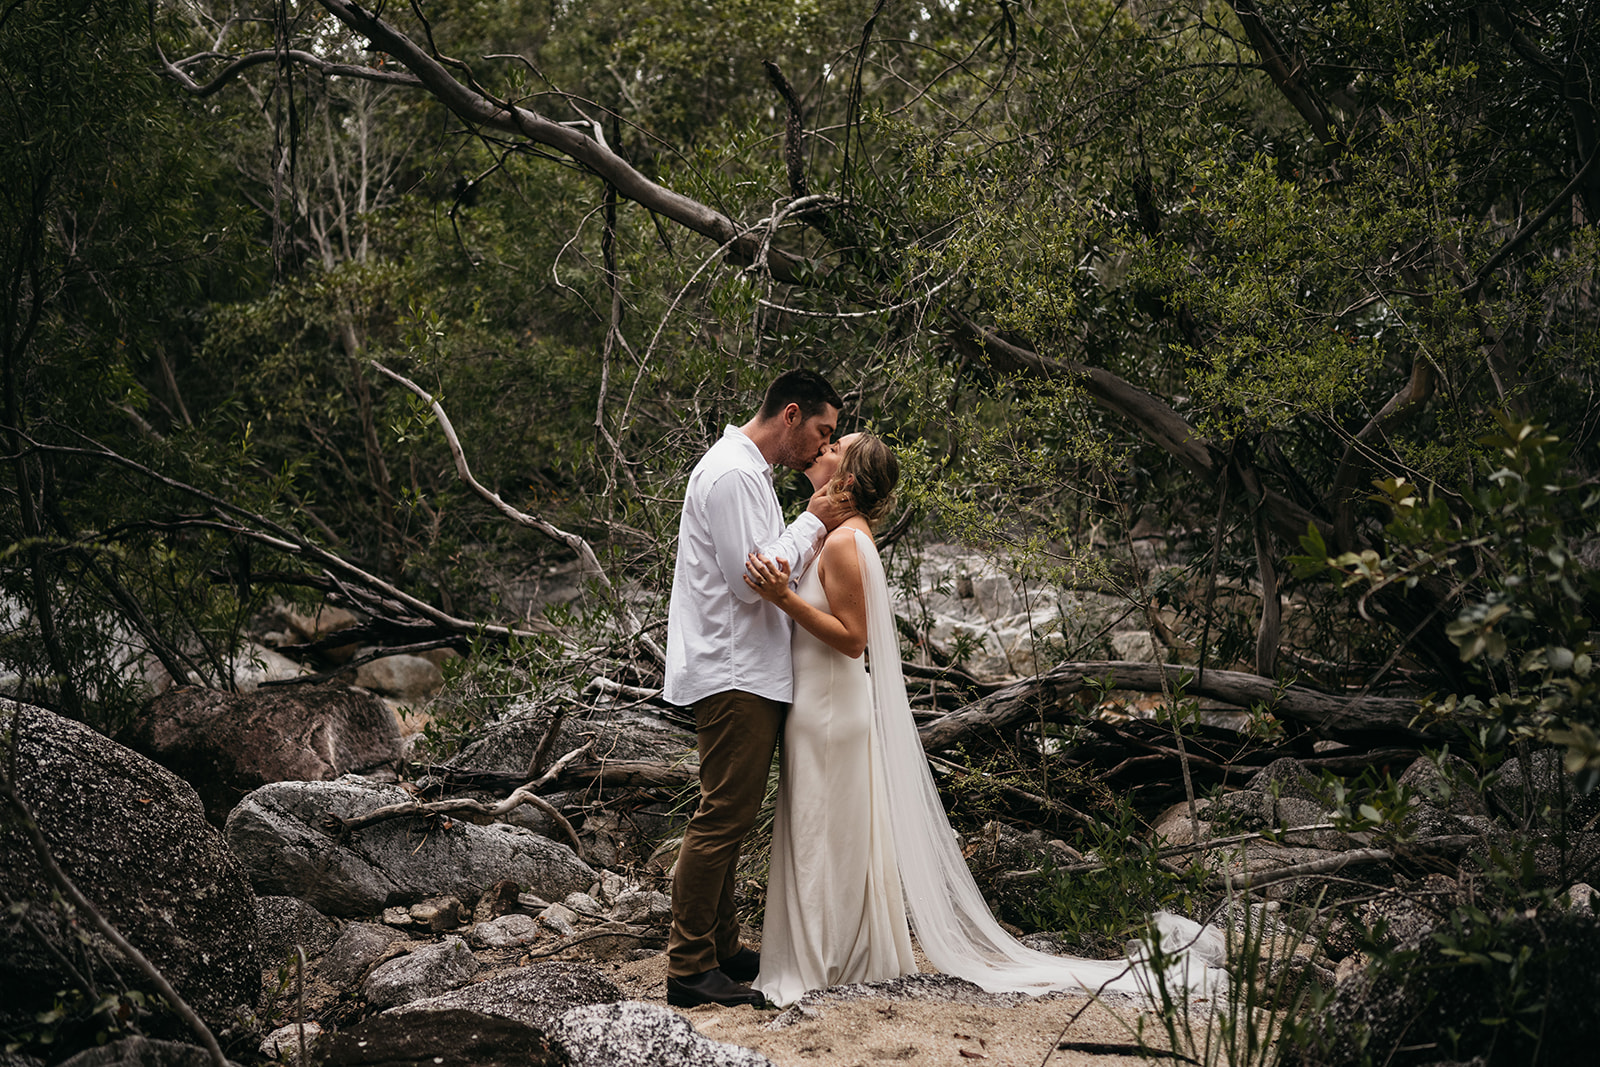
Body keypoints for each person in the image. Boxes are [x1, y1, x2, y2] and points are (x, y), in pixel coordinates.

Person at [744, 433, 1223, 1008]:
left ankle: (824, 964)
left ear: (845, 479)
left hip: (829, 710)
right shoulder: (833, 535)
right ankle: (829, 955)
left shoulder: (846, 543)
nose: (820, 448)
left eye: (833, 447)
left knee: (824, 834)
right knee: (824, 832)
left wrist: (783, 599)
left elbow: (853, 641)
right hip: (819, 706)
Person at [662, 369, 847, 1009]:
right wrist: (814, 520)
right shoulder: (736, 474)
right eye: (822, 431)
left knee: (732, 816)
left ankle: (720, 946)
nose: (824, 447)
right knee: (722, 816)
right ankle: (688, 968)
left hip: (746, 668)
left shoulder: (749, 473)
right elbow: (752, 582)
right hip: (734, 671)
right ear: (791, 415)